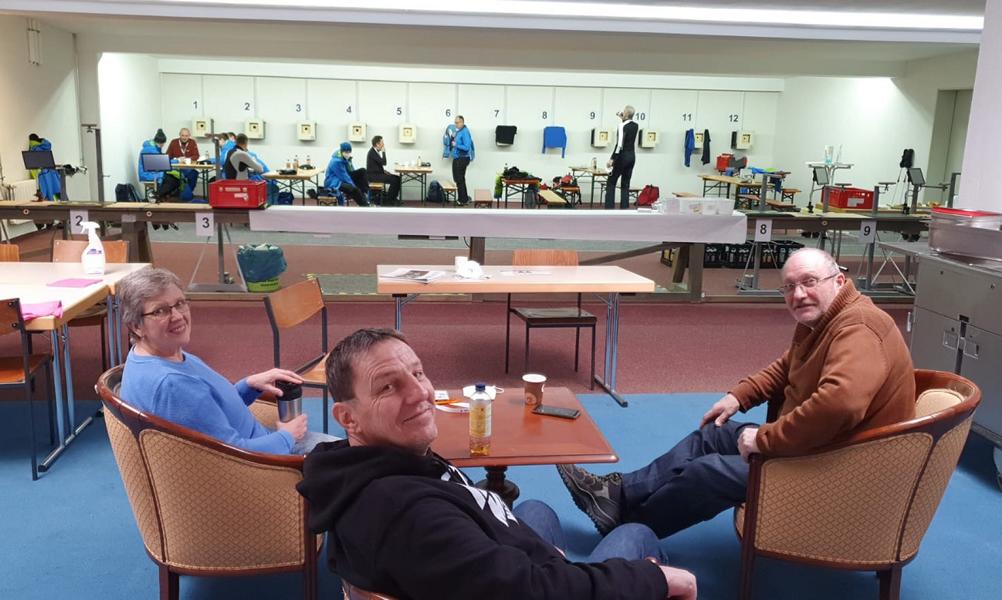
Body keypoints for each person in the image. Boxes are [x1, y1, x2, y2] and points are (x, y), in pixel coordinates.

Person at [297, 328, 697, 600]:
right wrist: (648, 579)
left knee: (535, 509)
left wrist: (529, 548)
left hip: (499, 557)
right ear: (348, 418)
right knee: (636, 533)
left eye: (418, 373)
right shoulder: (409, 515)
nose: (420, 392)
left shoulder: (367, 464)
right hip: (530, 581)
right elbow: (526, 590)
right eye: (388, 386)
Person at [558, 248, 916, 538]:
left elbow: (840, 405)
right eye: (789, 287)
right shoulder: (825, 320)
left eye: (809, 282)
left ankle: (628, 527)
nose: (798, 294)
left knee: (708, 473)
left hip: (843, 467)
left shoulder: (859, 327)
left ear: (839, 280)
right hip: (823, 444)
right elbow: (787, 366)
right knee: (713, 434)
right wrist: (740, 396)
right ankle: (617, 494)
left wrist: (765, 439)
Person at [118, 267, 337, 455]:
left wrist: (249, 385)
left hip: (259, 442)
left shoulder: (152, 356)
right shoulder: (172, 384)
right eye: (160, 311)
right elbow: (231, 453)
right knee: (352, 458)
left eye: (180, 303)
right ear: (136, 326)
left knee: (349, 452)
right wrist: (287, 436)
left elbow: (206, 411)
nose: (177, 316)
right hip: (266, 463)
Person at [604, 105, 638, 210]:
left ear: (626, 114)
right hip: (631, 157)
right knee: (625, 184)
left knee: (611, 182)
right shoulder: (635, 125)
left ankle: (609, 208)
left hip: (622, 157)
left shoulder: (621, 126)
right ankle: (624, 208)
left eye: (624, 111)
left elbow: (619, 145)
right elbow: (628, 124)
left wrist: (612, 159)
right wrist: (623, 118)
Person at [138, 128, 184, 202]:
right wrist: (177, 160)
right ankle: (154, 195)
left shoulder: (153, 147)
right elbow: (162, 163)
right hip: (147, 174)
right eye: (162, 144)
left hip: (153, 172)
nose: (162, 146)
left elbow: (161, 162)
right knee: (173, 181)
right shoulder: (150, 150)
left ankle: (157, 196)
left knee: (175, 179)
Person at [324, 142, 371, 207]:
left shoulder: (345, 158)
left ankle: (364, 193)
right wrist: (354, 185)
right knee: (354, 189)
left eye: (349, 152)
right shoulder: (336, 162)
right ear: (342, 151)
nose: (347, 154)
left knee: (362, 171)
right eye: (346, 152)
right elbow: (343, 176)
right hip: (334, 182)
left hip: (342, 177)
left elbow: (351, 171)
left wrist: (356, 180)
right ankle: (364, 205)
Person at [366, 135, 401, 205]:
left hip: (377, 174)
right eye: (382, 142)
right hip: (373, 176)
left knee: (397, 178)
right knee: (394, 180)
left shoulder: (374, 151)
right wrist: (383, 152)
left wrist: (384, 171)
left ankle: (392, 198)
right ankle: (390, 200)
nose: (383, 144)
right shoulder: (372, 152)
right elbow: (384, 162)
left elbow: (377, 165)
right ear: (377, 144)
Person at [166, 127, 200, 195]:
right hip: (176, 168)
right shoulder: (174, 142)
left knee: (194, 174)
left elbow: (197, 156)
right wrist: (177, 159)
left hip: (188, 168)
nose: (184, 137)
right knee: (173, 177)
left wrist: (187, 159)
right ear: (179, 135)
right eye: (182, 135)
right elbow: (167, 156)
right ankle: (178, 192)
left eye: (186, 136)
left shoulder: (192, 142)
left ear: (189, 135)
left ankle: (187, 193)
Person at [28, 133, 61, 201]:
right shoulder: (46, 145)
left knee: (47, 193)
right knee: (56, 191)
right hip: (52, 172)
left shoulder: (34, 149)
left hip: (43, 173)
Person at [450, 115, 473, 205]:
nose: (456, 124)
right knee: (459, 179)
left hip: (462, 158)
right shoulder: (459, 131)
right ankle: (464, 198)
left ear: (462, 122)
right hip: (457, 158)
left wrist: (456, 145)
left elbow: (467, 147)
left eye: (457, 122)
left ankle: (462, 200)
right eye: (455, 122)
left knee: (459, 179)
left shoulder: (465, 132)